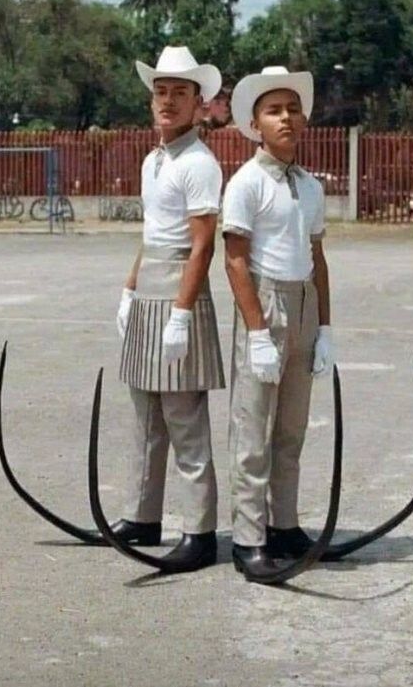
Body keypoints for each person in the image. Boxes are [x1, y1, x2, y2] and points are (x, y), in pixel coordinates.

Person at [113, 46, 225, 572]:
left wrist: (182, 313)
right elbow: (151, 233)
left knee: (184, 420)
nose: (168, 101)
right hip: (150, 287)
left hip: (180, 289)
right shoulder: (153, 160)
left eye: (180, 92)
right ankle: (141, 517)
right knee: (146, 415)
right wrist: (129, 289)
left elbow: (202, 245)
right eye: (161, 91)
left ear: (199, 103)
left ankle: (199, 532)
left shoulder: (199, 163)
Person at [222, 66, 333, 579]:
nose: (285, 118)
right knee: (253, 429)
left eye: (292, 109)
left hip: (303, 298)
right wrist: (258, 334)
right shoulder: (246, 183)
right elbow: (235, 260)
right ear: (255, 124)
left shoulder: (310, 187)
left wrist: (325, 329)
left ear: (303, 119)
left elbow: (317, 256)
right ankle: (249, 538)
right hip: (264, 302)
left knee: (291, 428)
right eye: (273, 110)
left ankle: (284, 525)